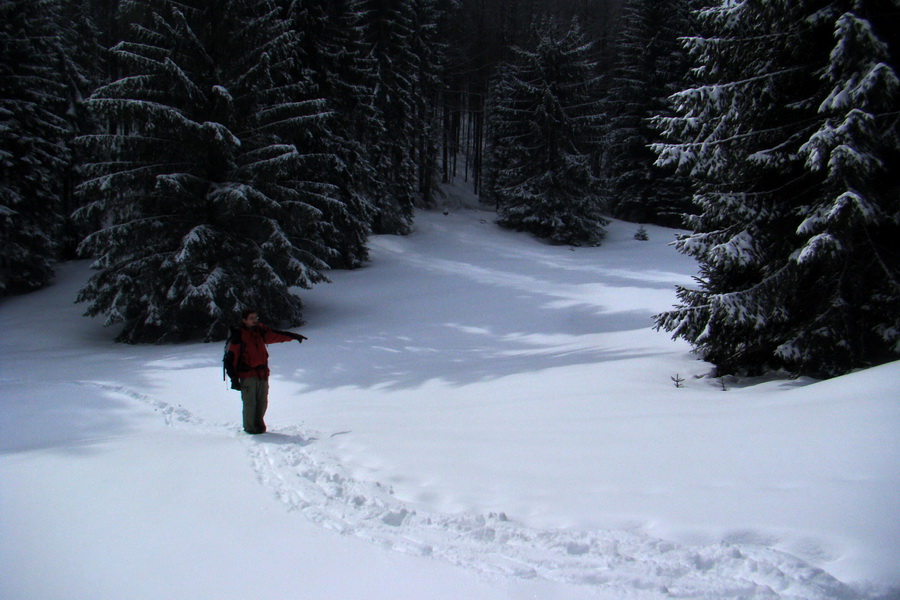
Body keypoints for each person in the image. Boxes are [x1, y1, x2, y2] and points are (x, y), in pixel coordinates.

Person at [224, 308, 307, 434]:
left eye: (255, 318)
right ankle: (250, 430)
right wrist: (234, 379)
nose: (254, 320)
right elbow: (230, 360)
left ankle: (259, 427)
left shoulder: (261, 331)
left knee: (262, 402)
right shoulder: (239, 336)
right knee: (250, 403)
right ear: (244, 320)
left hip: (262, 374)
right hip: (247, 375)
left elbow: (276, 335)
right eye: (251, 318)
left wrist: (293, 336)